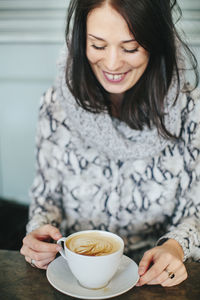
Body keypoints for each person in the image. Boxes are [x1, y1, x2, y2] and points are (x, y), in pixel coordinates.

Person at [20, 0, 200, 287]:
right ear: (81, 41)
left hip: (150, 282)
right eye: (98, 45)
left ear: (156, 42)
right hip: (71, 275)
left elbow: (195, 211)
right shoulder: (57, 107)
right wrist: (40, 233)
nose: (113, 64)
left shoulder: (190, 110)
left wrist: (174, 249)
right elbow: (47, 199)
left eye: (130, 48)